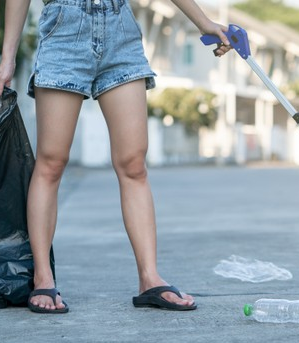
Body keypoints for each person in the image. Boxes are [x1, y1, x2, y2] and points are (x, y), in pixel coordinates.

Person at [0, 0, 231, 313]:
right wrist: (7, 56)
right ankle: (43, 279)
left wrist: (203, 22)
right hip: (64, 27)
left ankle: (149, 278)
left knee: (134, 165)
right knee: (52, 163)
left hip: (120, 28)